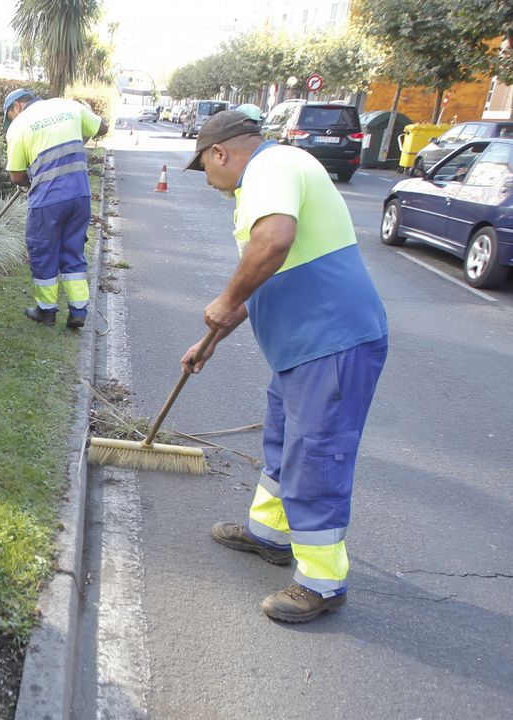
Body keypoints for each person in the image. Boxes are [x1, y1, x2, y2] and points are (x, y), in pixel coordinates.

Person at [181, 110, 389, 623]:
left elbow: (273, 242)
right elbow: (267, 277)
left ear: (220, 152)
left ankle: (322, 582)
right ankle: (270, 534)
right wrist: (213, 337)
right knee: (284, 443)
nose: (208, 181)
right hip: (304, 348)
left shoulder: (271, 168)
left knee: (316, 455)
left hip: (332, 342)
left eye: (204, 167)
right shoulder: (274, 171)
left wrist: (223, 300)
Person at [3, 88, 102, 329]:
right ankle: (78, 311)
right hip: (80, 195)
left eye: (9, 116)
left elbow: (16, 176)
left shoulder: (19, 126)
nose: (11, 121)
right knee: (73, 250)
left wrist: (29, 182)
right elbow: (102, 128)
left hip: (47, 201)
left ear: (16, 107)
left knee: (43, 251)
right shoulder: (68, 106)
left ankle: (46, 312)